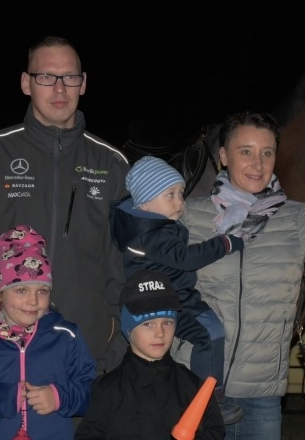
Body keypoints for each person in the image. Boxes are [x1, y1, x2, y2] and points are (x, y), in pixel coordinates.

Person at [0, 35, 130, 399]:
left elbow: (123, 268)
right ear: (26, 83)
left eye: (69, 77)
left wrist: (115, 350)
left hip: (85, 360)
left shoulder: (112, 164)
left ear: (83, 84)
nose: (59, 88)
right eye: (45, 77)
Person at [176, 111, 305, 439]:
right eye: (245, 151)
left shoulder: (295, 219)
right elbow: (150, 283)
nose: (257, 164)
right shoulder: (189, 216)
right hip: (193, 386)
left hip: (261, 396)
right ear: (223, 156)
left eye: (267, 152)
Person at [109, 155, 245, 424]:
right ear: (145, 202)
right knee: (209, 333)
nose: (180, 202)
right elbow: (186, 258)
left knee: (205, 335)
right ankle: (207, 400)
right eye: (170, 194)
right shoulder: (150, 234)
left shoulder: (147, 225)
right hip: (162, 301)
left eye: (181, 193)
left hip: (167, 297)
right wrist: (226, 243)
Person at [0, 225, 97, 440]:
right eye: (21, 290)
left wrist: (59, 397)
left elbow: (93, 391)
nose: (33, 301)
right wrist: (4, 398)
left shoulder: (66, 335)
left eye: (42, 291)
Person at [75, 268, 226, 439]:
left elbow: (215, 431)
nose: (160, 333)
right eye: (148, 324)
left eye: (167, 322)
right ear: (129, 329)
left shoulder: (191, 385)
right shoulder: (107, 389)